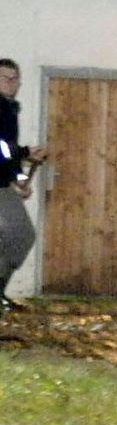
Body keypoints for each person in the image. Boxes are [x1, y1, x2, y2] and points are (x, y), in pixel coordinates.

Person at [0, 59, 32, 306]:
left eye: (14, 79)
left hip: (3, 183)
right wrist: (26, 152)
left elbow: (7, 153)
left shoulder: (10, 109)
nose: (10, 83)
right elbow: (3, 149)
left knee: (21, 236)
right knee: (17, 234)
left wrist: (20, 179)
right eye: (4, 78)